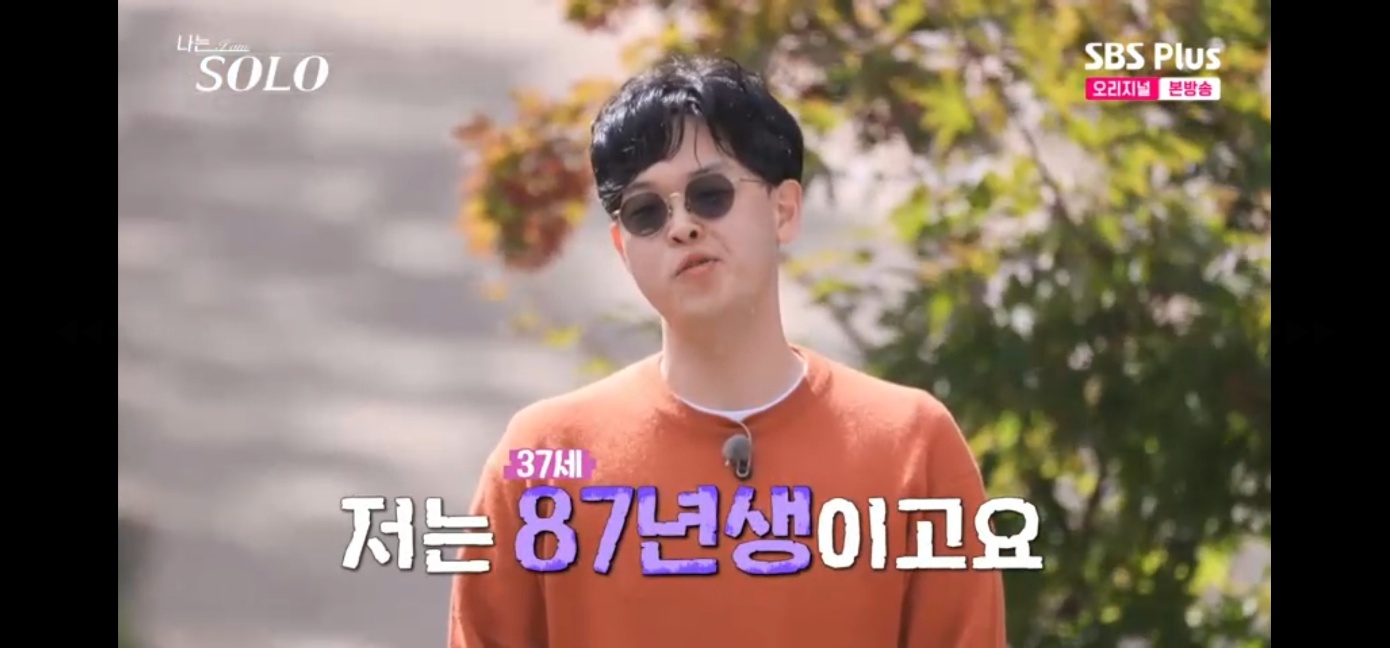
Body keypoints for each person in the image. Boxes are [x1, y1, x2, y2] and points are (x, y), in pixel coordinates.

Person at [448, 56, 1005, 648]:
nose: (681, 226)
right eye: (645, 212)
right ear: (622, 247)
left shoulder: (911, 445)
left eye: (709, 195)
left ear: (783, 209)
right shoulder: (542, 459)